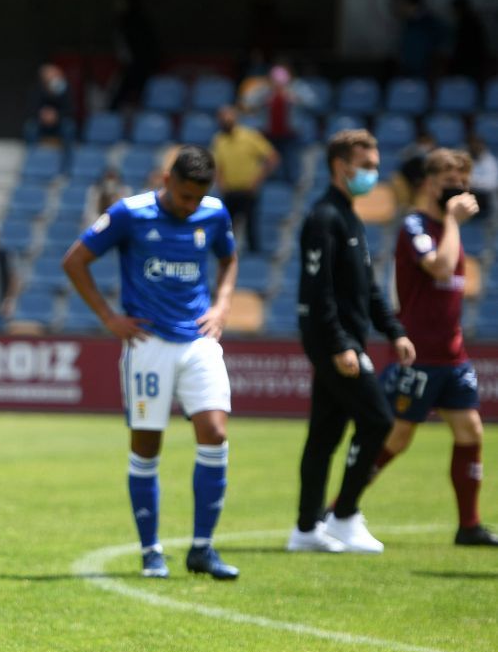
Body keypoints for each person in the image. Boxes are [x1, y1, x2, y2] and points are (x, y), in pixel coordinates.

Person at [62, 145, 240, 581]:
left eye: (197, 198)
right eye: (184, 196)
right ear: (166, 181)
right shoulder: (129, 213)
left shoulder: (214, 214)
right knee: (147, 445)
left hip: (199, 340)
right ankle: (151, 550)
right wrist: (108, 317)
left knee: (215, 433)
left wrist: (221, 306)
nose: (190, 205)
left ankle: (202, 548)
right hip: (148, 344)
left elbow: (229, 258)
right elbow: (75, 260)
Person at [288, 129, 415, 554]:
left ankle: (306, 530)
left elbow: (368, 289)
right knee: (379, 420)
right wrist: (342, 344)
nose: (373, 173)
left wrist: (394, 330)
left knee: (323, 436)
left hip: (346, 341)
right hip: (333, 343)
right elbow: (316, 292)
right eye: (367, 165)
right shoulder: (324, 218)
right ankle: (343, 516)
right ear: (341, 166)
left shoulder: (349, 216)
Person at [371, 150, 498, 547]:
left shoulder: (445, 227)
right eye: (449, 180)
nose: (458, 187)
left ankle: (469, 525)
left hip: (452, 353)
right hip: (421, 353)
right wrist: (452, 222)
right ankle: (339, 509)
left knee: (470, 430)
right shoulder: (415, 225)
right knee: (398, 438)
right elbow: (440, 268)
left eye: (463, 180)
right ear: (429, 182)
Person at [211, 106, 278, 255]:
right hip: (229, 191)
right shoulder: (219, 140)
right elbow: (217, 165)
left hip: (249, 190)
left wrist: (258, 180)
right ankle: (225, 254)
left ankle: (254, 260)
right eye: (222, 117)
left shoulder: (250, 136)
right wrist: (220, 183)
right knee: (226, 226)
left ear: (235, 117)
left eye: (228, 116)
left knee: (251, 228)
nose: (225, 120)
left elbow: (272, 157)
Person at [26, 63, 74, 147]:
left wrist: (57, 116)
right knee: (30, 127)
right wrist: (42, 115)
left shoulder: (65, 89)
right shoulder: (38, 89)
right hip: (41, 122)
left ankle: (67, 159)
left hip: (59, 122)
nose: (53, 76)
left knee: (69, 127)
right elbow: (32, 108)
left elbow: (70, 109)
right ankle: (33, 156)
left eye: (55, 74)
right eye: (49, 74)